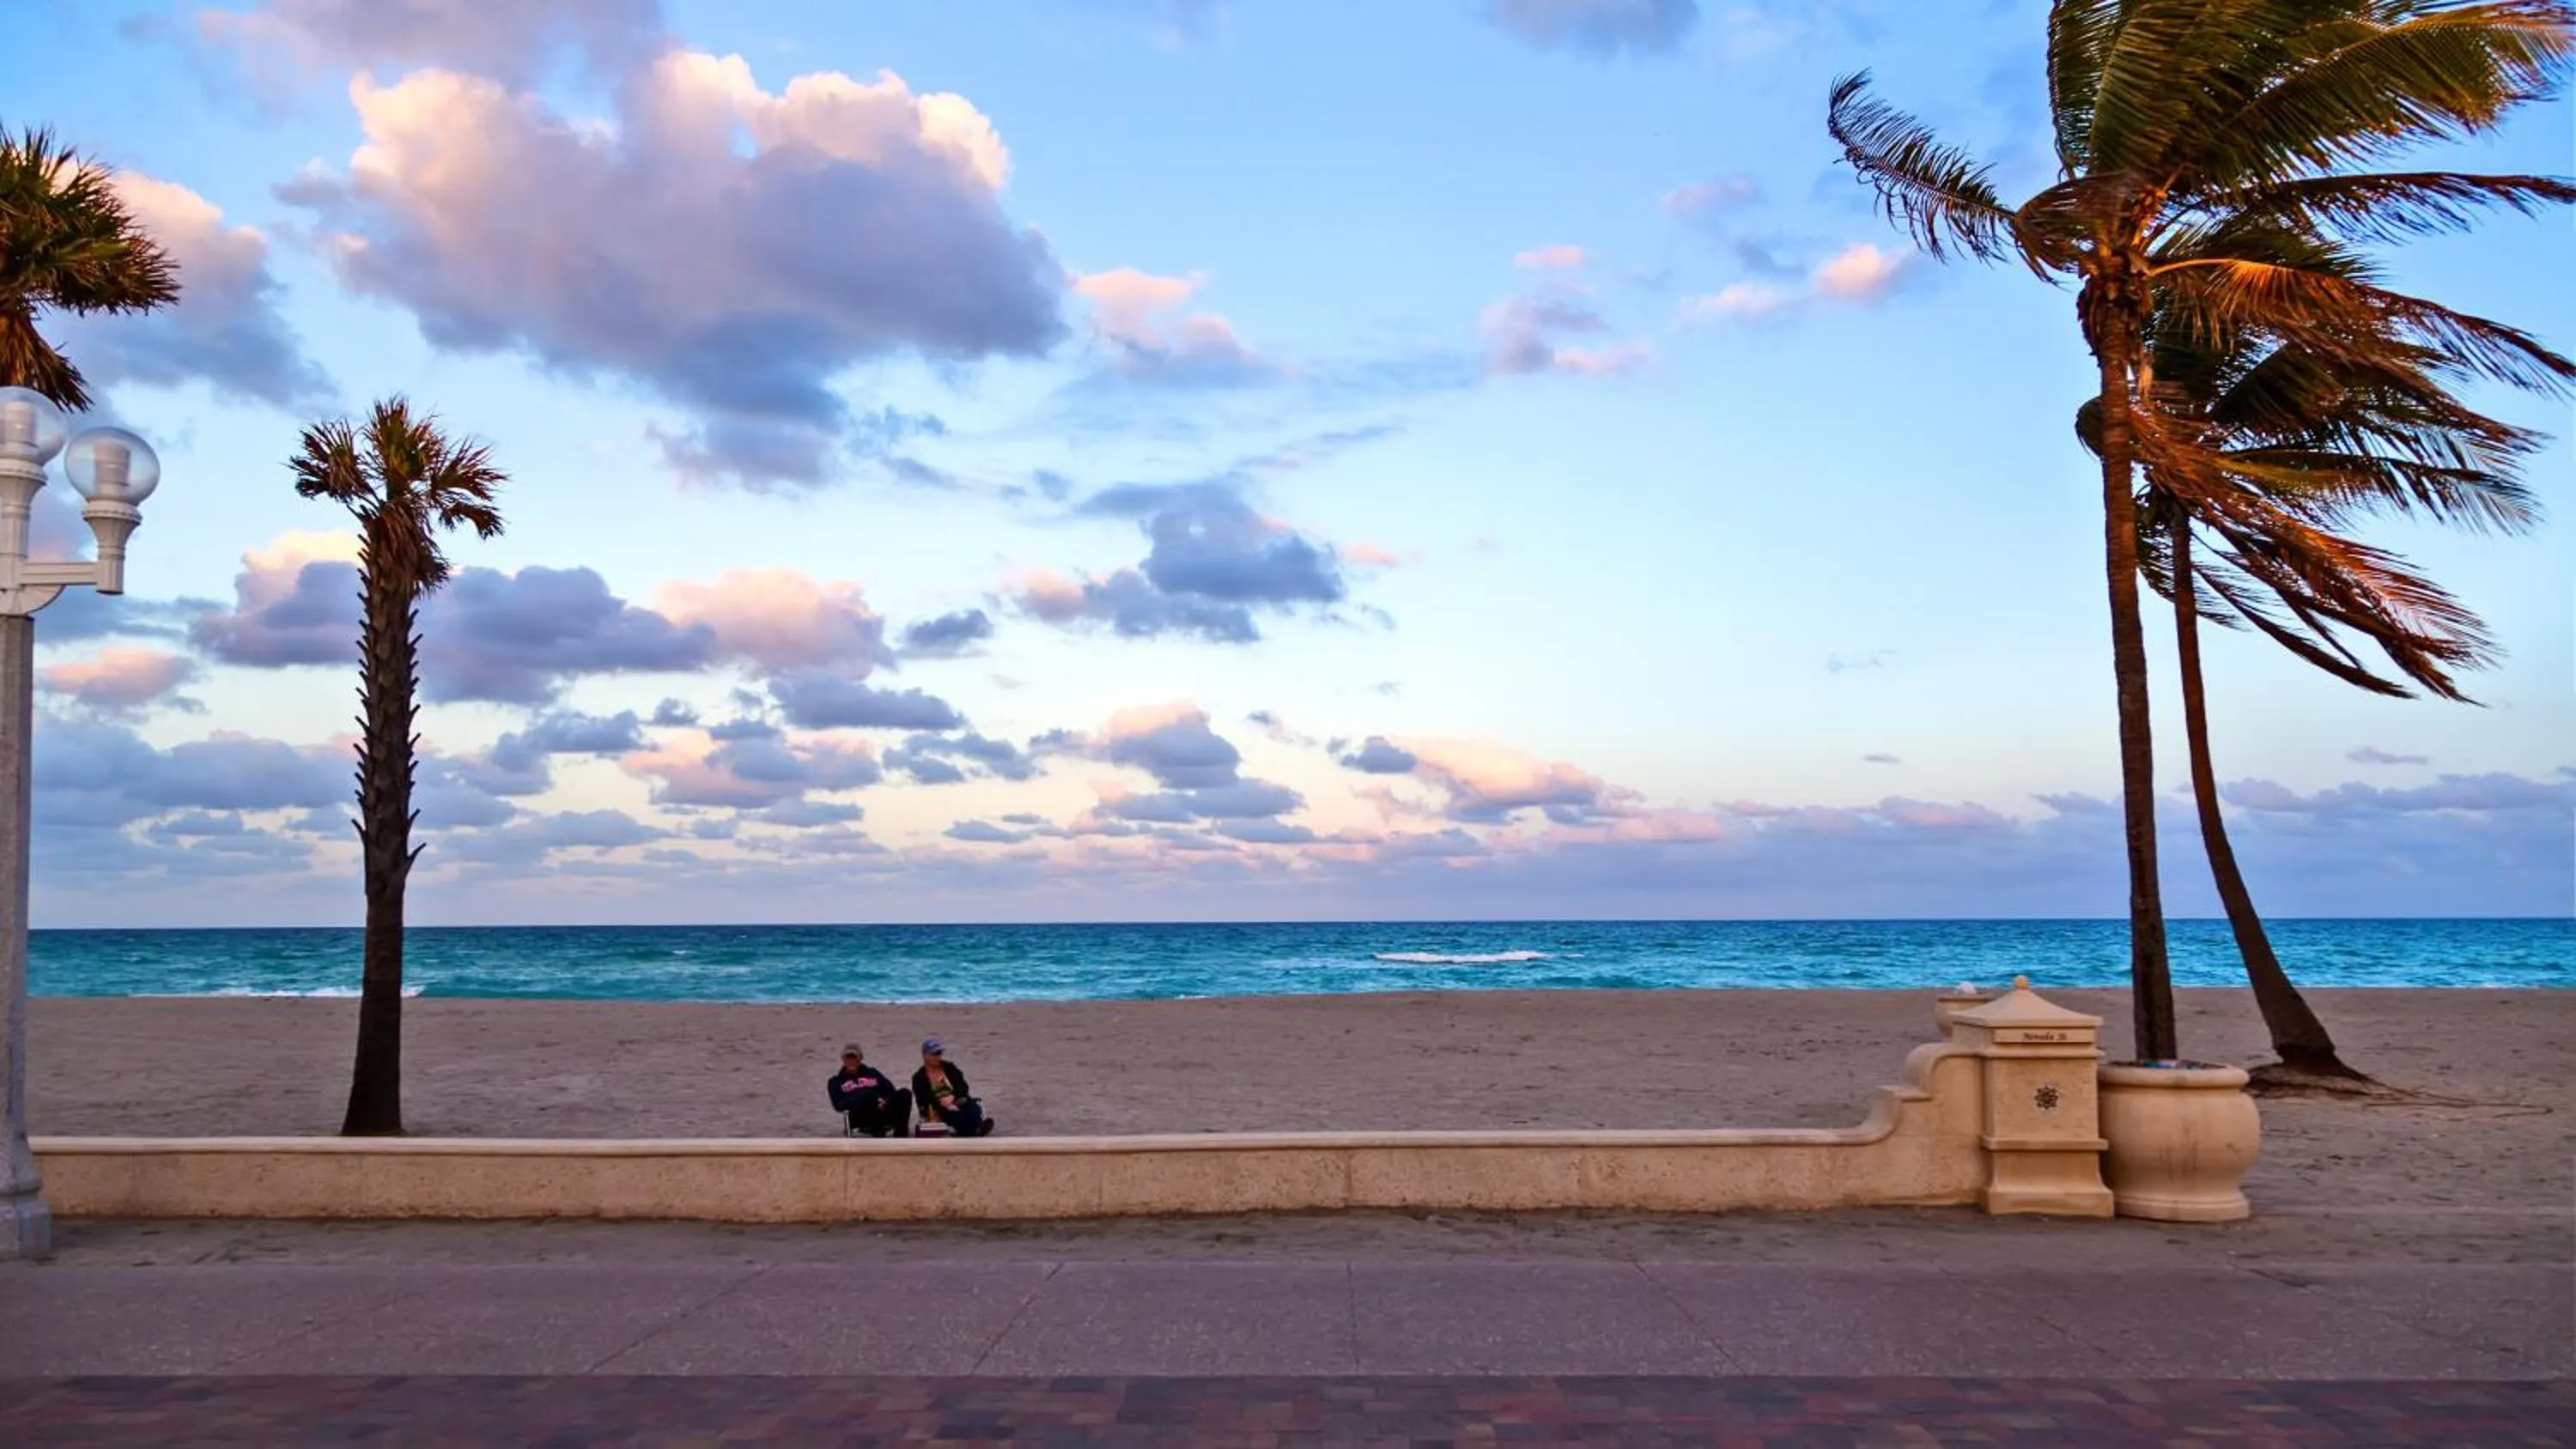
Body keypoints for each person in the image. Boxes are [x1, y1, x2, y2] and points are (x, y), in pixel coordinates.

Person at [911, 1038, 995, 1137]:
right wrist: (941, 1101)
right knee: (953, 1114)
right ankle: (973, 1130)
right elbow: (922, 1098)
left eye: (939, 1053)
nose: (937, 1057)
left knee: (970, 1105)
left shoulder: (949, 1068)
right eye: (934, 1054)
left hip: (956, 1099)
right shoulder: (919, 1077)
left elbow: (962, 1086)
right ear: (925, 1055)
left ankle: (977, 1126)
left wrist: (955, 1098)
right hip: (938, 1106)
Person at [826, 1043, 912, 1137]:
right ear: (843, 1059)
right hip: (858, 1115)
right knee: (868, 1097)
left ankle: (901, 1138)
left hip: (881, 1110)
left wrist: (883, 1102)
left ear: (860, 1059)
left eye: (854, 1058)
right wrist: (864, 1098)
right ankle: (879, 1136)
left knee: (905, 1093)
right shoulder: (836, 1081)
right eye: (848, 1058)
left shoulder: (873, 1073)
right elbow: (838, 1105)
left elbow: (890, 1091)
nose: (851, 1061)